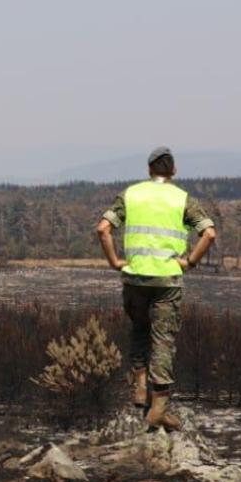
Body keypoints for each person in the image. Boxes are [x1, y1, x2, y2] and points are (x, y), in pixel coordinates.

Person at [94, 146, 217, 430]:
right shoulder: (182, 199)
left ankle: (140, 388)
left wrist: (114, 261)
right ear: (173, 171)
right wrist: (190, 262)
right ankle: (159, 409)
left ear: (149, 170)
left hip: (135, 277)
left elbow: (103, 229)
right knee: (163, 339)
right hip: (167, 280)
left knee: (139, 328)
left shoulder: (131, 194)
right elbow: (209, 233)